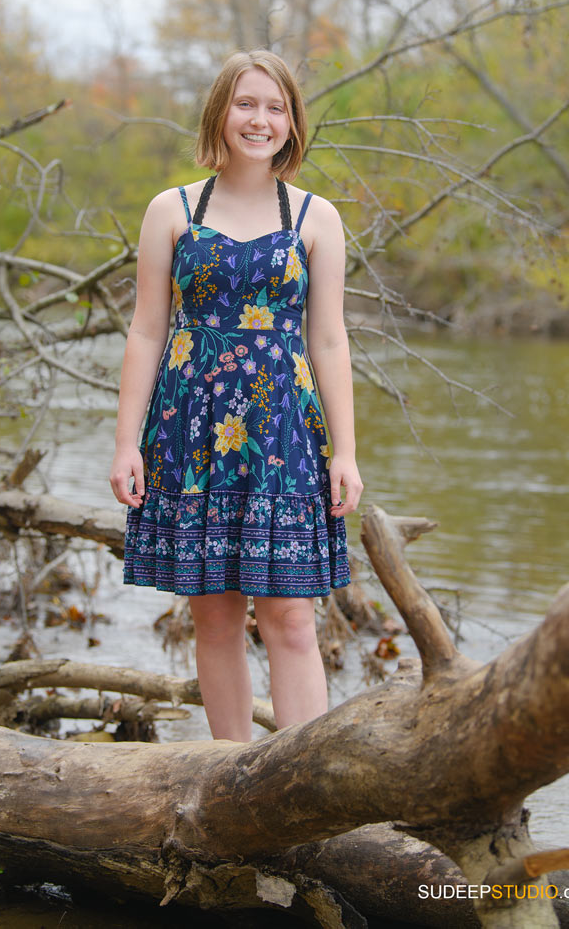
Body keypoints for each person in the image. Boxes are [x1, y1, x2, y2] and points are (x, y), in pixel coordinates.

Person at [109, 49, 363, 742]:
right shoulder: (173, 209)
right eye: (247, 104)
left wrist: (345, 450)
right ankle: (229, 778)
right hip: (192, 430)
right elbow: (145, 330)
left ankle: (303, 792)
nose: (260, 119)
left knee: (291, 616)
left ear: (293, 121)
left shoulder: (317, 218)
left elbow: (331, 341)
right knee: (214, 616)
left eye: (275, 107)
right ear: (221, 110)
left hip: (283, 435)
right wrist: (127, 441)